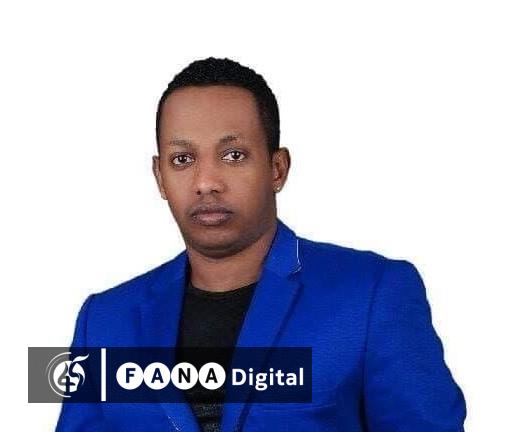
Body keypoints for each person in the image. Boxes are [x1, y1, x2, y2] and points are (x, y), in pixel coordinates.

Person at [56, 57, 466, 431]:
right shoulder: (104, 321)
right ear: (160, 177)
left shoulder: (372, 295)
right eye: (182, 159)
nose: (206, 182)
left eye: (233, 155)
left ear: (277, 168)